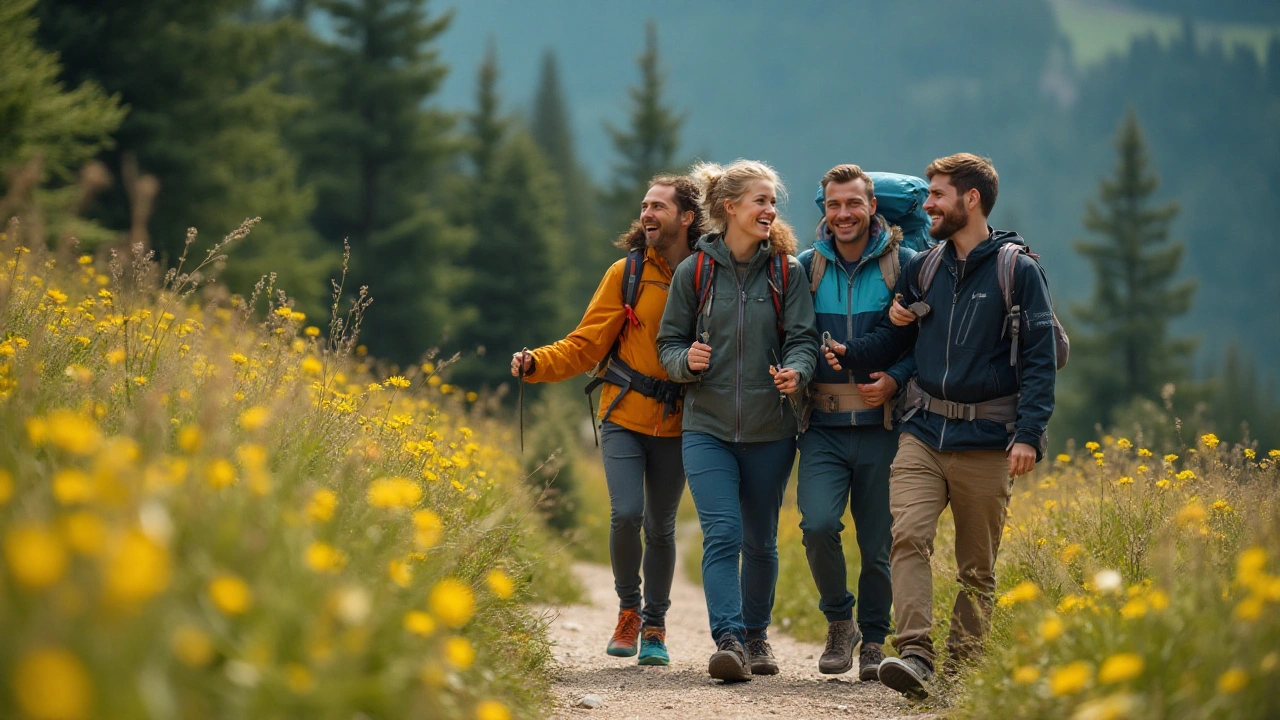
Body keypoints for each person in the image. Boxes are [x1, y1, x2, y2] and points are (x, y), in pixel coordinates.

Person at [825, 153, 1057, 699]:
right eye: (927, 194)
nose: (926, 204)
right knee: (906, 537)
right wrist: (847, 352)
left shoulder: (1017, 271)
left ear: (970, 199)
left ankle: (963, 671)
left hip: (988, 440)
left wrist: (1028, 434)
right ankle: (916, 655)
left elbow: (1041, 360)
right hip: (922, 431)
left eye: (937, 195)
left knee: (977, 567)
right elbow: (894, 341)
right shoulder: (923, 267)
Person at [510, 175, 705, 666]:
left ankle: (656, 627)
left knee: (661, 527)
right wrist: (537, 364)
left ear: (687, 217)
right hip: (622, 413)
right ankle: (628, 612)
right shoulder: (628, 271)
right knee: (626, 513)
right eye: (644, 205)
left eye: (659, 205)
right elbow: (585, 344)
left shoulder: (709, 273)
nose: (647, 213)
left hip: (680, 420)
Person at [657, 160, 819, 682]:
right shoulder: (695, 272)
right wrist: (686, 363)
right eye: (761, 201)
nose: (771, 210)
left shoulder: (786, 271)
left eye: (773, 202)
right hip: (706, 428)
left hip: (772, 431)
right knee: (722, 533)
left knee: (761, 540)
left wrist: (796, 370)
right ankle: (728, 639)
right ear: (730, 208)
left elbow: (802, 339)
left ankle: (756, 635)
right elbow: (669, 343)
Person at [795, 164, 917, 681]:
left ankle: (873, 638)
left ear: (872, 207)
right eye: (833, 205)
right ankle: (838, 620)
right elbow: (791, 336)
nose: (843, 214)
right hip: (820, 426)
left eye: (853, 204)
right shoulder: (805, 268)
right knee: (818, 525)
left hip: (883, 425)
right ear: (823, 209)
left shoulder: (906, 266)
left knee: (878, 543)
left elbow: (922, 345)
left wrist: (894, 378)